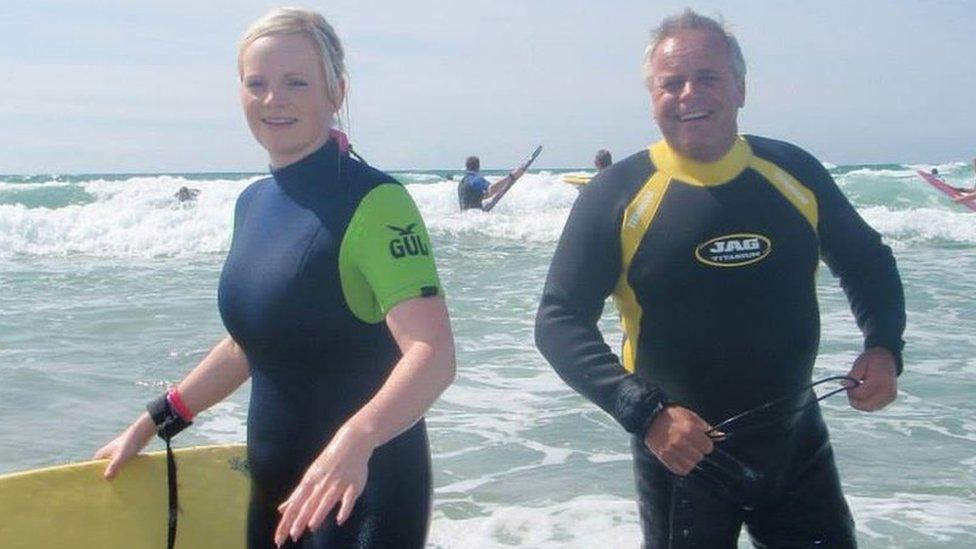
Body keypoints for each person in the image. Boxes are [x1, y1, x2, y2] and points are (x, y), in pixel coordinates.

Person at [535, 9, 905, 548]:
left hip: (796, 444)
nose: (690, 93)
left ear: (740, 88)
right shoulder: (617, 194)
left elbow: (867, 261)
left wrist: (883, 347)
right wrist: (646, 412)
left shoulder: (793, 173)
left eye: (707, 77)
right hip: (680, 453)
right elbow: (558, 320)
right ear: (653, 97)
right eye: (672, 82)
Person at [95, 7, 456, 548]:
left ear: (336, 92)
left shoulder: (376, 202)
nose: (273, 99)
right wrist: (152, 424)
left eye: (295, 82)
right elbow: (256, 340)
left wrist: (355, 441)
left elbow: (434, 354)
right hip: (274, 496)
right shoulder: (253, 203)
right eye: (256, 83)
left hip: (363, 494)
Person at [457, 155, 524, 211]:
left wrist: (498, 190)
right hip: (476, 217)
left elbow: (478, 197)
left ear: (466, 167)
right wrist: (511, 176)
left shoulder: (462, 182)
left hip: (466, 217)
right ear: (478, 166)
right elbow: (491, 189)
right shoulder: (475, 179)